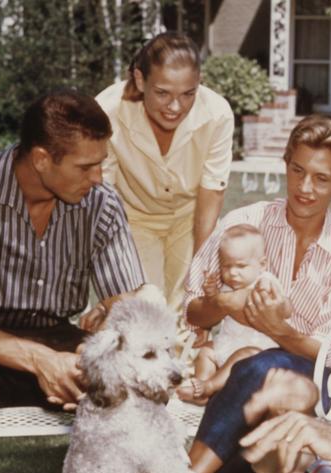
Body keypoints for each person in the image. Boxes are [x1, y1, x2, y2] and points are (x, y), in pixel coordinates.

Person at [0, 91, 145, 473]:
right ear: (42, 159)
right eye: (86, 167)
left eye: (101, 165)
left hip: (59, 338)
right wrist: (39, 360)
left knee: (132, 374)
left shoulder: (101, 204)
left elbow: (128, 306)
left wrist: (108, 341)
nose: (98, 179)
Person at [183, 114, 331, 473]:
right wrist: (221, 304)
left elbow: (330, 354)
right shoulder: (245, 222)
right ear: (285, 165)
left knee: (260, 367)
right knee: (254, 371)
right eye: (297, 170)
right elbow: (193, 308)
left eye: (321, 179)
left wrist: (277, 329)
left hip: (312, 376)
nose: (304, 187)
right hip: (237, 367)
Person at [96, 32, 234, 312]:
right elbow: (101, 194)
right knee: (145, 309)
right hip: (133, 219)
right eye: (162, 93)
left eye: (188, 94)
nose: (175, 107)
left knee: (185, 313)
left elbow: (211, 193)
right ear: (139, 79)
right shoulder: (107, 111)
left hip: (190, 217)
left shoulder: (218, 114)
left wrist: (201, 264)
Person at [176, 223, 287, 405]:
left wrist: (279, 304)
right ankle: (202, 388)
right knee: (206, 351)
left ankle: (210, 386)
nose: (233, 273)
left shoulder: (265, 282)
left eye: (241, 266)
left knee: (243, 355)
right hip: (228, 343)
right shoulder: (229, 286)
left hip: (256, 350)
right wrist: (212, 293)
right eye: (226, 266)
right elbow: (215, 306)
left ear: (262, 264)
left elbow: (285, 309)